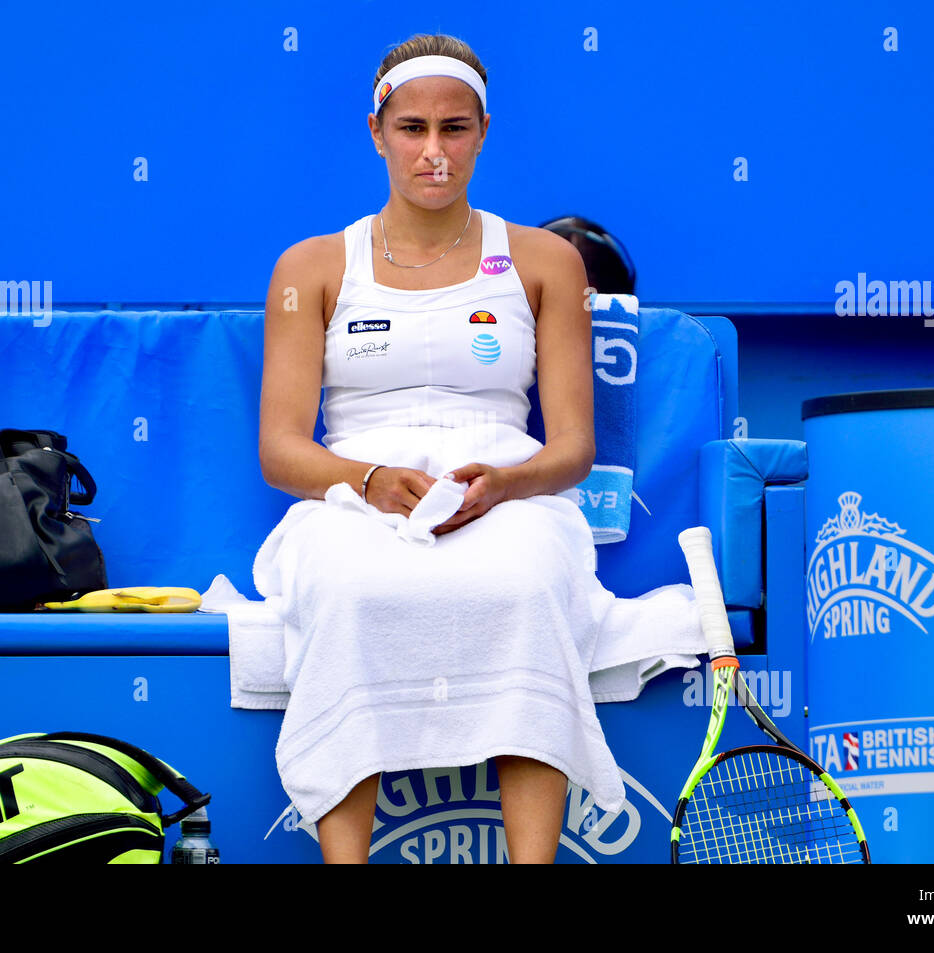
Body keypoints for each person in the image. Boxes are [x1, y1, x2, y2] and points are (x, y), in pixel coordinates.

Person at [256, 33, 696, 864]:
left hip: (507, 489)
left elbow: (571, 447)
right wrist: (372, 479)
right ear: (377, 132)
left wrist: (504, 483)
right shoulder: (309, 266)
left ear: (484, 131)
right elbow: (282, 451)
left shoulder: (546, 260)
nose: (434, 152)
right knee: (350, 590)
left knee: (527, 584)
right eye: (413, 128)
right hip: (357, 496)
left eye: (454, 129)